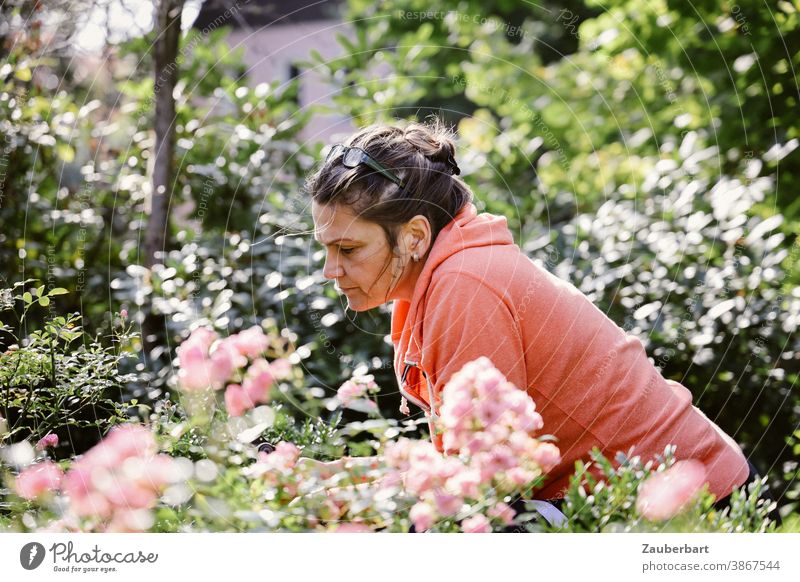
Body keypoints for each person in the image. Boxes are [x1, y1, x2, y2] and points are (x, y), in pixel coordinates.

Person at [306, 118, 777, 524]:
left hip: (692, 508)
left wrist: (352, 497)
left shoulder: (465, 285)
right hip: (656, 494)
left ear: (413, 236)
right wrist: (349, 477)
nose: (331, 269)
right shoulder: (450, 272)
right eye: (325, 248)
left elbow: (486, 487)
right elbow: (472, 464)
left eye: (348, 249)